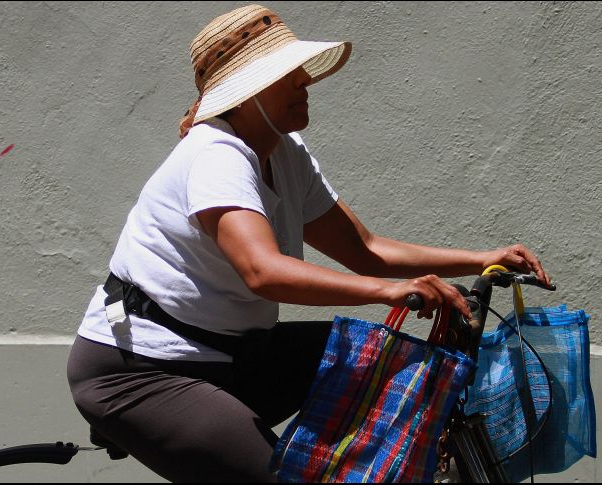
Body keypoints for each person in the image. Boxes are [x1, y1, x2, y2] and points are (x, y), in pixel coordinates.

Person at [66, 4, 551, 483]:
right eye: (286, 74)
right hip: (144, 372)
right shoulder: (216, 155)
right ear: (247, 92)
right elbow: (264, 271)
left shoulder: (285, 151)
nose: (305, 81)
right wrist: (389, 291)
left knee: (390, 363)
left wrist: (480, 259)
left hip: (236, 355)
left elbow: (365, 250)